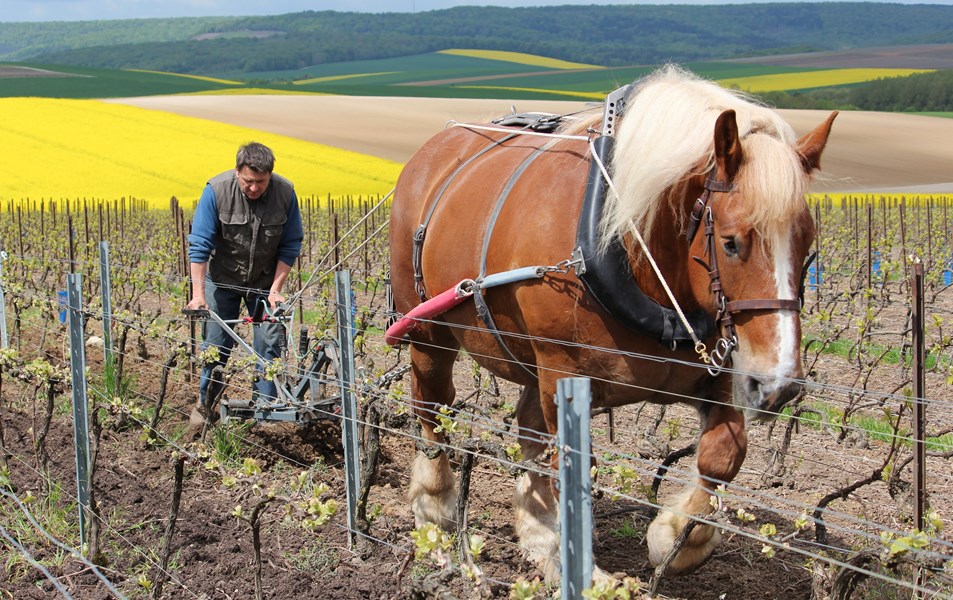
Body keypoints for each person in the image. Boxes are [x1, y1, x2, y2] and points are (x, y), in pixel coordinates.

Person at [186, 141, 304, 429]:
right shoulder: (216, 190)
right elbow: (200, 245)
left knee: (269, 347)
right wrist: (198, 294)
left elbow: (290, 245)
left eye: (261, 182)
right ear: (238, 171)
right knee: (215, 346)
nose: (254, 188)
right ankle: (205, 408)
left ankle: (265, 415)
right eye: (249, 181)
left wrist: (276, 289)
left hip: (264, 283)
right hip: (223, 280)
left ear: (270, 176)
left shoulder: (285, 193)